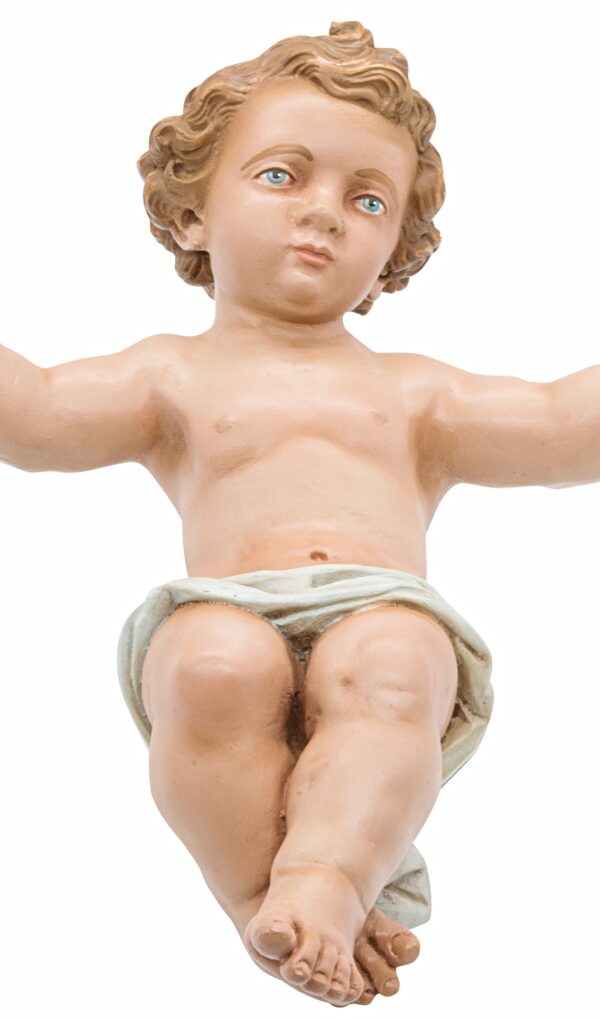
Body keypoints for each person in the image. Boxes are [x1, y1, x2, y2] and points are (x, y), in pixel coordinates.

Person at [0, 20, 598, 1008]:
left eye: (368, 199)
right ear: (192, 212)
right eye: (282, 175)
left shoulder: (417, 394)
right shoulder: (170, 375)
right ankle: (255, 892)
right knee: (209, 664)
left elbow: (558, 422)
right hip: (226, 606)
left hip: (380, 604)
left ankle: (326, 875)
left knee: (394, 661)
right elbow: (34, 414)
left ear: (393, 254)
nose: (324, 212)